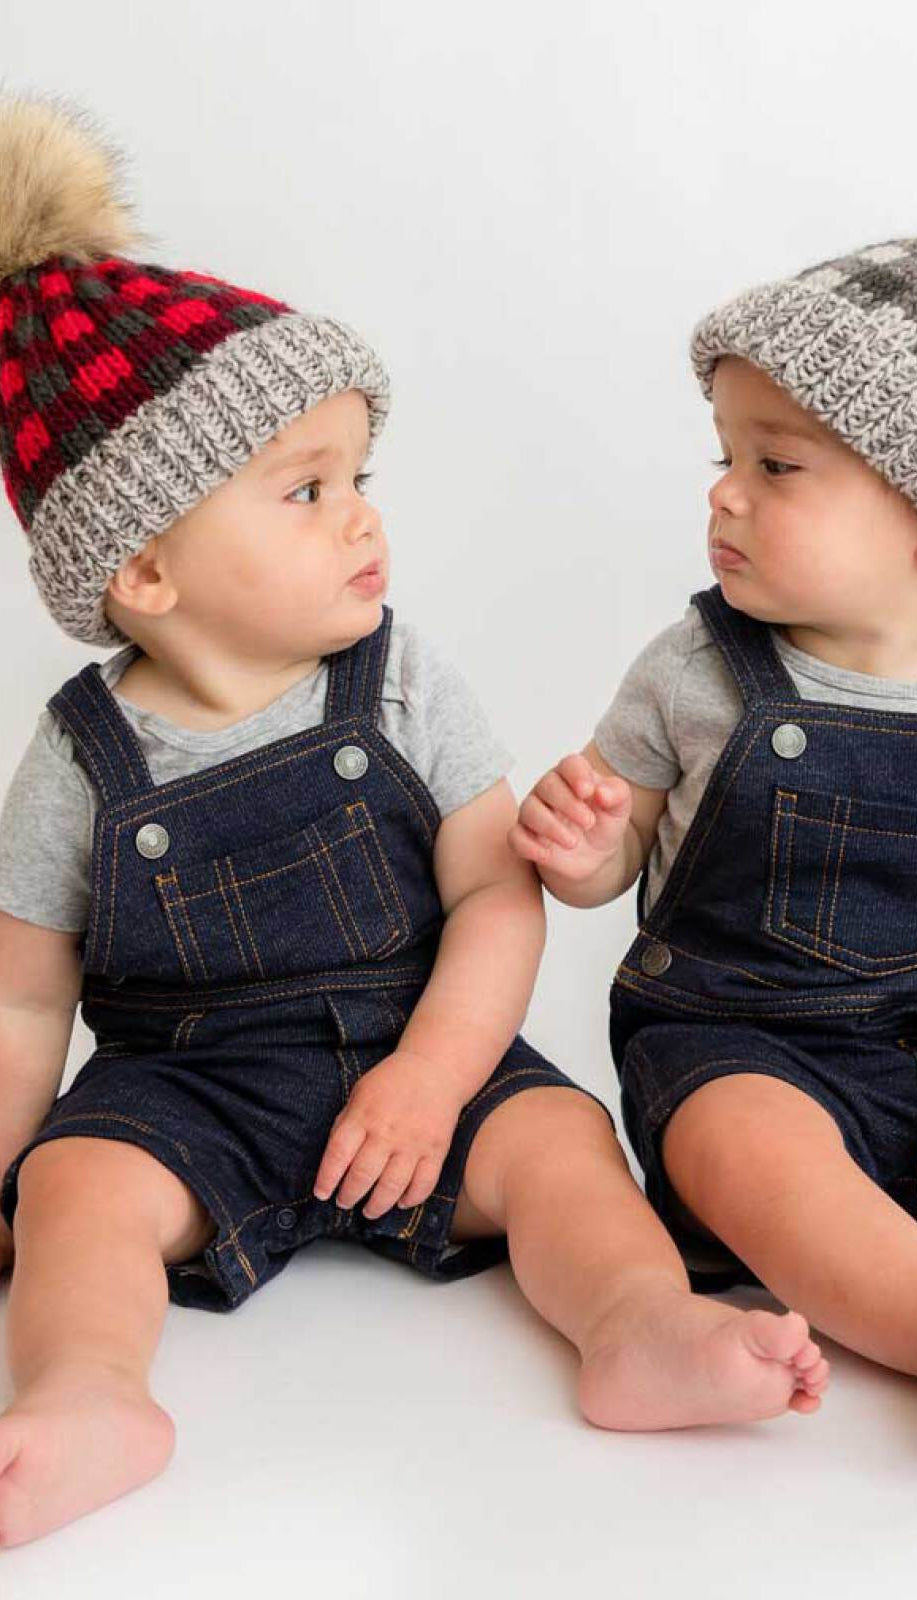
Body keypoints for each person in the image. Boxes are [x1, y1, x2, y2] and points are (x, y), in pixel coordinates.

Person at [0, 96, 827, 1547]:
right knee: (74, 1187)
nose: (362, 520)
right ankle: (88, 1395)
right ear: (143, 571)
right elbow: (23, 998)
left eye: (360, 479)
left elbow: (496, 893)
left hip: (418, 1041)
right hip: (191, 1087)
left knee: (561, 1147)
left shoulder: (397, 680)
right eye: (305, 491)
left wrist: (439, 1077)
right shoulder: (84, 753)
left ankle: (636, 1323)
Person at [513, 120, 917, 1456]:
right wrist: (584, 849)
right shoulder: (700, 669)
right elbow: (616, 854)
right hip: (744, 1051)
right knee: (739, 1145)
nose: (724, 496)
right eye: (723, 456)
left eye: (776, 465)